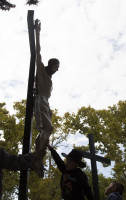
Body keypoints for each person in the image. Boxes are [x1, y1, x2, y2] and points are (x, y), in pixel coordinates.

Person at [34, 19, 60, 151]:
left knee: (48, 129)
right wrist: (37, 33)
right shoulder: (42, 71)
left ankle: (39, 147)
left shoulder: (49, 78)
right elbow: (37, 52)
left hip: (46, 102)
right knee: (48, 127)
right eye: (57, 66)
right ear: (52, 64)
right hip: (40, 99)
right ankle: (38, 152)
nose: (58, 69)